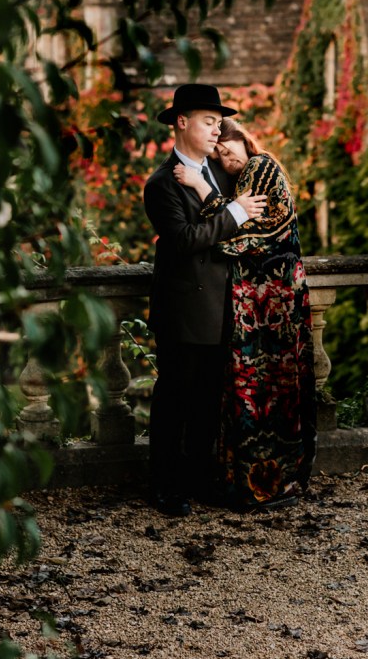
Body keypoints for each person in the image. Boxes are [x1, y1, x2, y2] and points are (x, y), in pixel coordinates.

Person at [174, 117, 316, 511]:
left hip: (275, 301)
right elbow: (233, 222)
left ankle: (278, 482)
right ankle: (252, 484)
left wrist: (203, 188)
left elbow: (255, 234)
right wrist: (230, 212)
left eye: (227, 145)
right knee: (251, 393)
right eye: (218, 152)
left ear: (243, 139)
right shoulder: (235, 184)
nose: (224, 155)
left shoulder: (262, 165)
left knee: (274, 389)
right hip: (253, 305)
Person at [143, 85, 267, 517]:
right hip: (183, 309)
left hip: (224, 307)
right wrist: (234, 214)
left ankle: (198, 480)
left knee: (208, 403)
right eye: (208, 121)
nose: (217, 130)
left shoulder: (221, 173)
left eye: (218, 122)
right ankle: (165, 486)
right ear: (181, 122)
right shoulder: (161, 184)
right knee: (175, 400)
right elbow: (181, 242)